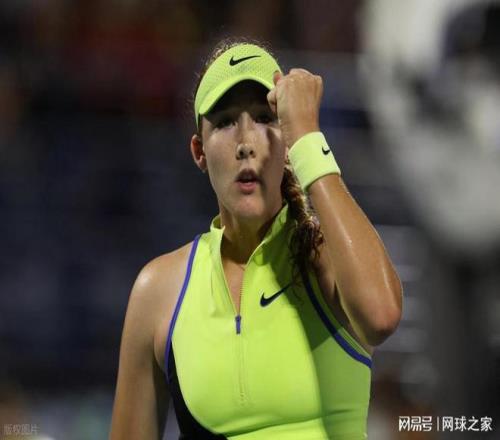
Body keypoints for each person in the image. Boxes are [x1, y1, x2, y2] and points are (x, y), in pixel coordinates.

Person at [109, 39, 402, 440]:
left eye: (266, 118)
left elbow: (381, 317)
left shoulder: (326, 258)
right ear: (198, 151)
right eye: (225, 122)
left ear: (287, 140)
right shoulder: (158, 291)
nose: (246, 143)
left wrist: (308, 139)